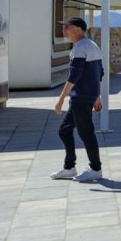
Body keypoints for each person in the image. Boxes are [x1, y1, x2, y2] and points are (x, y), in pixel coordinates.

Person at [51, 17, 105, 181]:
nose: (64, 30)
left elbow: (74, 76)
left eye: (68, 27)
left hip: (81, 98)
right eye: (64, 27)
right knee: (65, 130)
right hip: (85, 97)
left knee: (86, 133)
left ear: (79, 29)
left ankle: (95, 169)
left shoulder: (80, 48)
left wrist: (60, 99)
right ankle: (69, 167)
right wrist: (97, 96)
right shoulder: (92, 45)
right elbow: (99, 73)